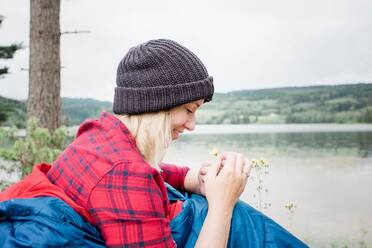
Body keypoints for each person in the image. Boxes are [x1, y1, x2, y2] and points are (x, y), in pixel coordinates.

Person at [0, 39, 308, 248]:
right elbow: (133, 176)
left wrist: (195, 180)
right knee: (234, 221)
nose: (191, 125)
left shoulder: (99, 134)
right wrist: (223, 206)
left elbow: (152, 170)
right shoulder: (125, 175)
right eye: (189, 110)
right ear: (157, 104)